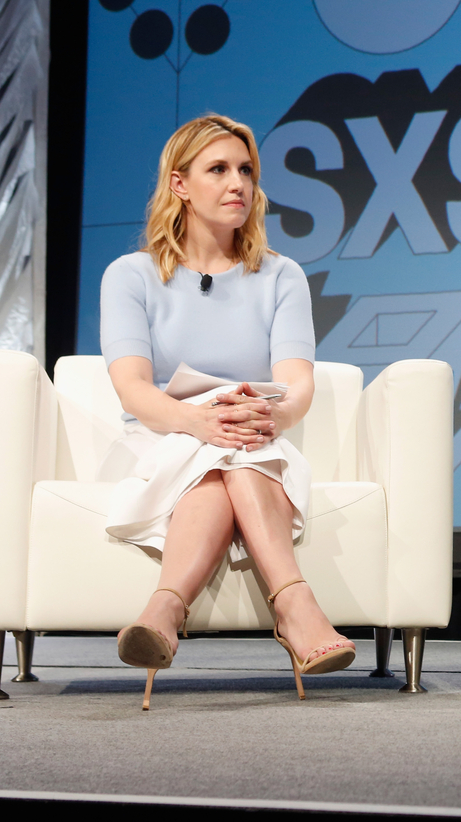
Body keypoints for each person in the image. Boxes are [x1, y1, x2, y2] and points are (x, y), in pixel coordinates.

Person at [100, 114, 355, 710]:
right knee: (224, 452)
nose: (238, 183)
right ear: (180, 184)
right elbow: (133, 389)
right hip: (166, 433)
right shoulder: (131, 275)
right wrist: (199, 421)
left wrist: (273, 418)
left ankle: (165, 612)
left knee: (237, 451)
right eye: (218, 169)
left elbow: (296, 384)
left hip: (252, 430)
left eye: (246, 170)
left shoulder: (282, 275)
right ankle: (295, 607)